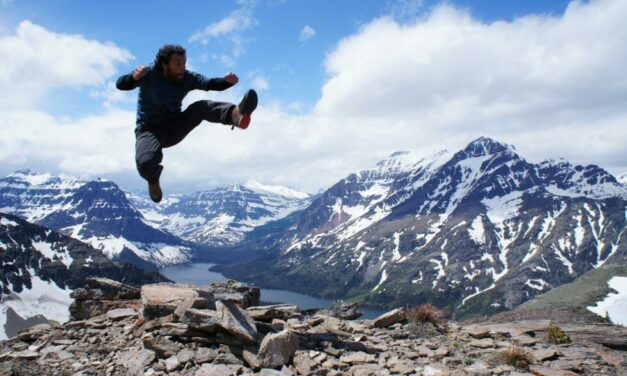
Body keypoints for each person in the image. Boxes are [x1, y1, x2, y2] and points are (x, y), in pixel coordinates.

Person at [116, 44, 258, 203]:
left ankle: (235, 115)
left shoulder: (187, 78)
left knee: (201, 107)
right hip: (149, 130)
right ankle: (153, 180)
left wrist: (227, 82)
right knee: (145, 164)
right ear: (164, 64)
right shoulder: (149, 74)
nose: (182, 68)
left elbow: (210, 83)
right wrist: (133, 77)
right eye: (177, 64)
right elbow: (121, 84)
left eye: (184, 63)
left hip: (175, 126)